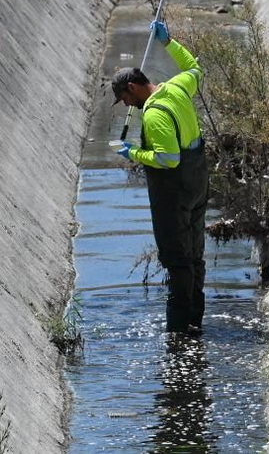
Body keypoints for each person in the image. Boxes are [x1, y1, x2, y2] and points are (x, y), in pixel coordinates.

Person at [111, 19, 209, 335]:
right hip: (198, 185)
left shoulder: (153, 115)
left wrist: (132, 154)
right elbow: (194, 68)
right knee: (195, 255)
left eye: (125, 99)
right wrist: (169, 42)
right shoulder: (178, 86)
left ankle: (179, 334)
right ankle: (196, 322)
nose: (128, 106)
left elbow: (168, 159)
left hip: (175, 193)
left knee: (179, 261)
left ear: (132, 87)